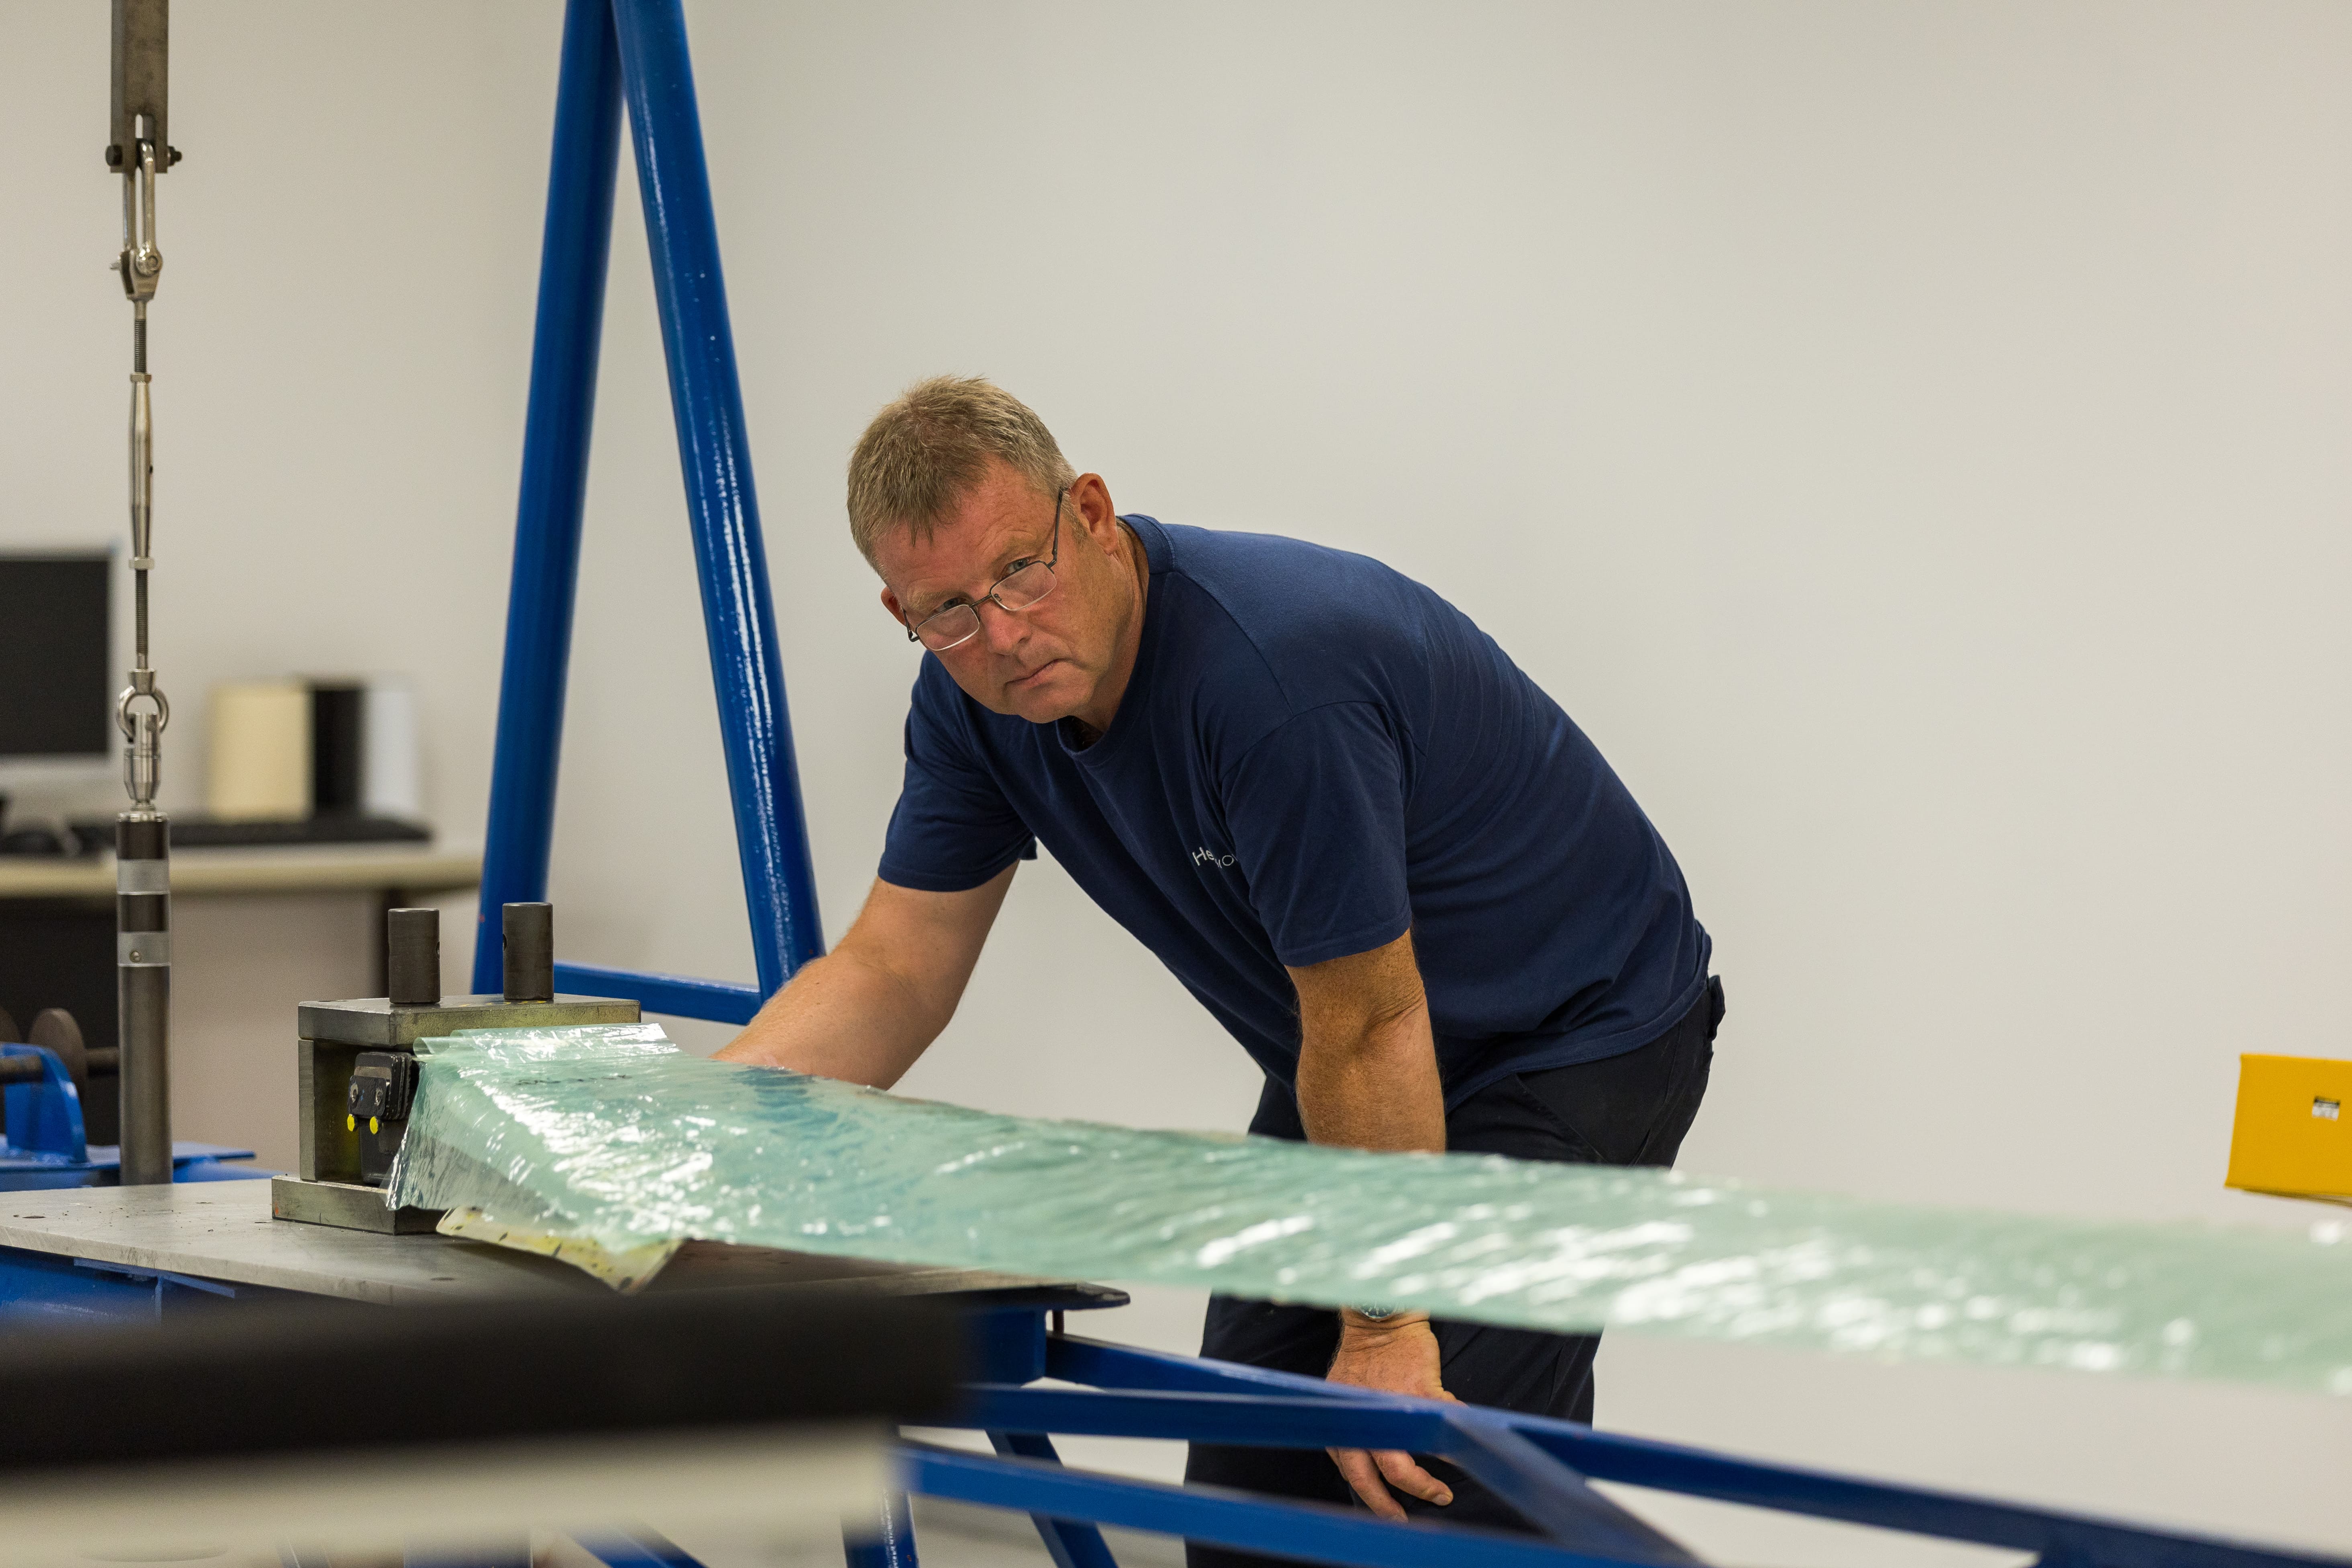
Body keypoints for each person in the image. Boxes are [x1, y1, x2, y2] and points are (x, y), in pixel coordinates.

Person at [718, 376, 1721, 1556]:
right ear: (899, 607)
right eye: (946, 612)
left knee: (1439, 1478)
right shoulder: (969, 702)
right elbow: (894, 968)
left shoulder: (1272, 682)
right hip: (1355, 1054)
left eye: (1019, 575)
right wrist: (692, 1147)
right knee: (1243, 1501)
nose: (1000, 636)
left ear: (1088, 511)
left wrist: (1388, 1321)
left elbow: (1372, 1023)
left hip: (1567, 1038)